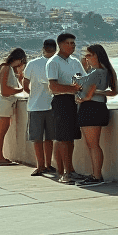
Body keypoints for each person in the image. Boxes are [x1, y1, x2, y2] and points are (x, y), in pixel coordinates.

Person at [74, 44, 118, 185]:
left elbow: (86, 93)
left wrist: (84, 96)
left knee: (93, 145)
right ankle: (96, 175)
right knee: (93, 145)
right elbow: (113, 91)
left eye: (89, 55)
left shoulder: (95, 73)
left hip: (90, 109)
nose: (86, 58)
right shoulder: (107, 71)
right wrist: (97, 93)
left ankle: (97, 176)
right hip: (99, 107)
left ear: (96, 56)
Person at [46, 33, 85, 182]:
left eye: (73, 43)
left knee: (71, 138)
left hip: (73, 102)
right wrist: (72, 88)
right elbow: (53, 87)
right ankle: (64, 173)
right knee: (62, 138)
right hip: (61, 101)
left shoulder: (75, 62)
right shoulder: (53, 62)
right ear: (61, 45)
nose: (72, 46)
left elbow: (84, 79)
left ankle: (70, 170)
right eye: (69, 43)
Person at [22, 38, 58, 176]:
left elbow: (25, 85)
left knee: (37, 138)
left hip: (35, 106)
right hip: (52, 106)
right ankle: (48, 165)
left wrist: (34, 94)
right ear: (55, 48)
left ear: (43, 48)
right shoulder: (57, 63)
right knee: (49, 138)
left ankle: (40, 166)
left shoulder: (32, 64)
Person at [0, 48, 27, 166]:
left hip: (4, 103)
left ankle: (1, 157)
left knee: (2, 132)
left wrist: (19, 77)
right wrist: (20, 89)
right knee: (1, 132)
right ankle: (0, 158)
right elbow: (4, 91)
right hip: (4, 103)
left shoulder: (6, 68)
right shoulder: (6, 68)